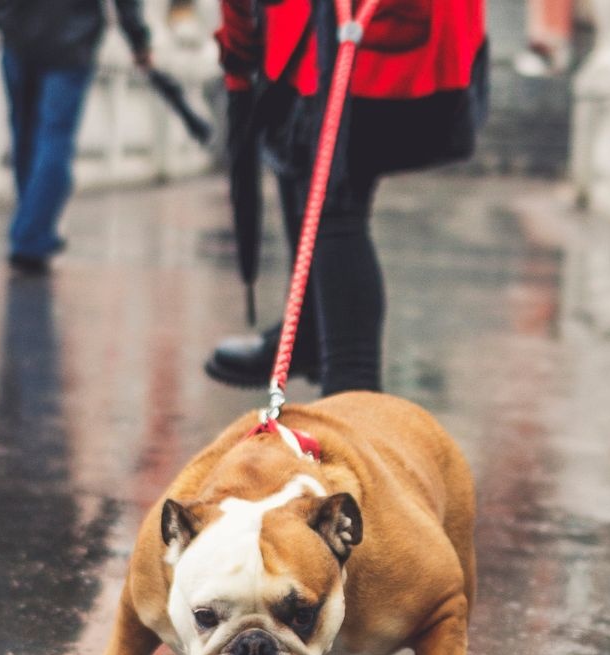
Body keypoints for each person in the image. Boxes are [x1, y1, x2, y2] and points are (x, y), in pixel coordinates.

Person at [207, 0, 488, 397]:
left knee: (335, 198)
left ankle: (351, 390)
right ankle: (308, 332)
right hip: (309, 35)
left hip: (363, 31)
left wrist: (238, 47)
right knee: (299, 155)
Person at [0, 0, 152, 275]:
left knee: (27, 137)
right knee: (53, 138)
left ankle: (32, 229)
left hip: (20, 31)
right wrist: (139, 41)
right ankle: (32, 235)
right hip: (71, 38)